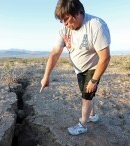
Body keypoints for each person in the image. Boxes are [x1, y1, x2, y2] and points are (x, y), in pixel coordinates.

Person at [40, 0, 111, 136]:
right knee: (88, 94)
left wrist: (94, 80)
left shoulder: (96, 25)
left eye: (66, 19)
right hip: (79, 69)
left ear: (78, 13)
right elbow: (55, 54)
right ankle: (93, 115)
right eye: (62, 21)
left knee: (86, 96)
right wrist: (46, 76)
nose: (65, 23)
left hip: (93, 67)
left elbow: (105, 57)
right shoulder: (65, 29)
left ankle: (82, 125)